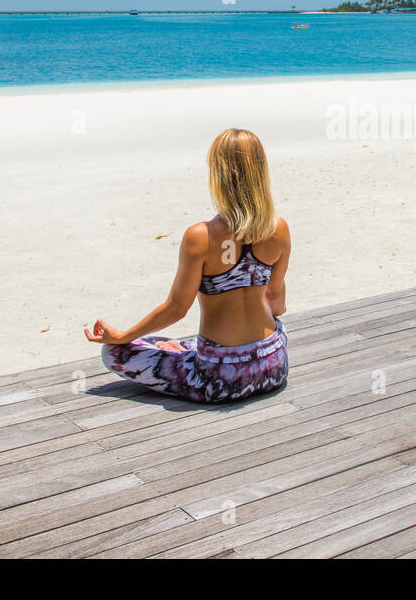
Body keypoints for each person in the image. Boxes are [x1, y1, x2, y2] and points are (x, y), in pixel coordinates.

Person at [86, 128, 290, 403]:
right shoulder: (279, 228)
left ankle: (186, 352)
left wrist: (123, 335)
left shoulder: (201, 237)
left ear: (218, 174)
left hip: (220, 377)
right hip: (273, 364)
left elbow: (175, 309)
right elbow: (276, 303)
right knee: (271, 326)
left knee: (115, 352)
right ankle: (192, 349)